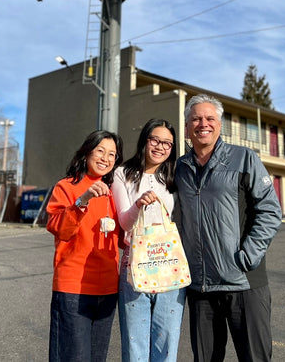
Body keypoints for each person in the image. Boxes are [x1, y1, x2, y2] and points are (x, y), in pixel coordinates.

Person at [175, 94, 282, 362]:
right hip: (200, 286)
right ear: (187, 127)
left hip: (243, 282)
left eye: (210, 118)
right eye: (196, 119)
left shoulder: (244, 158)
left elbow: (270, 210)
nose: (203, 124)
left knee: (254, 357)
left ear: (219, 125)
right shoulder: (179, 168)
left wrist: (249, 256)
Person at [46, 130, 124, 362]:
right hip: (73, 288)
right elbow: (60, 228)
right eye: (100, 151)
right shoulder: (67, 186)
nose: (105, 158)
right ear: (86, 152)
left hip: (108, 289)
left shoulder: (114, 192)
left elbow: (121, 238)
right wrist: (83, 200)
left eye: (112, 154)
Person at [112, 118, 186, 362]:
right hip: (135, 267)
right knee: (135, 345)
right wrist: (138, 204)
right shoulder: (123, 174)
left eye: (167, 143)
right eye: (155, 139)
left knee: (166, 342)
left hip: (170, 268)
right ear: (144, 140)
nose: (160, 146)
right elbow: (123, 222)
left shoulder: (176, 177)